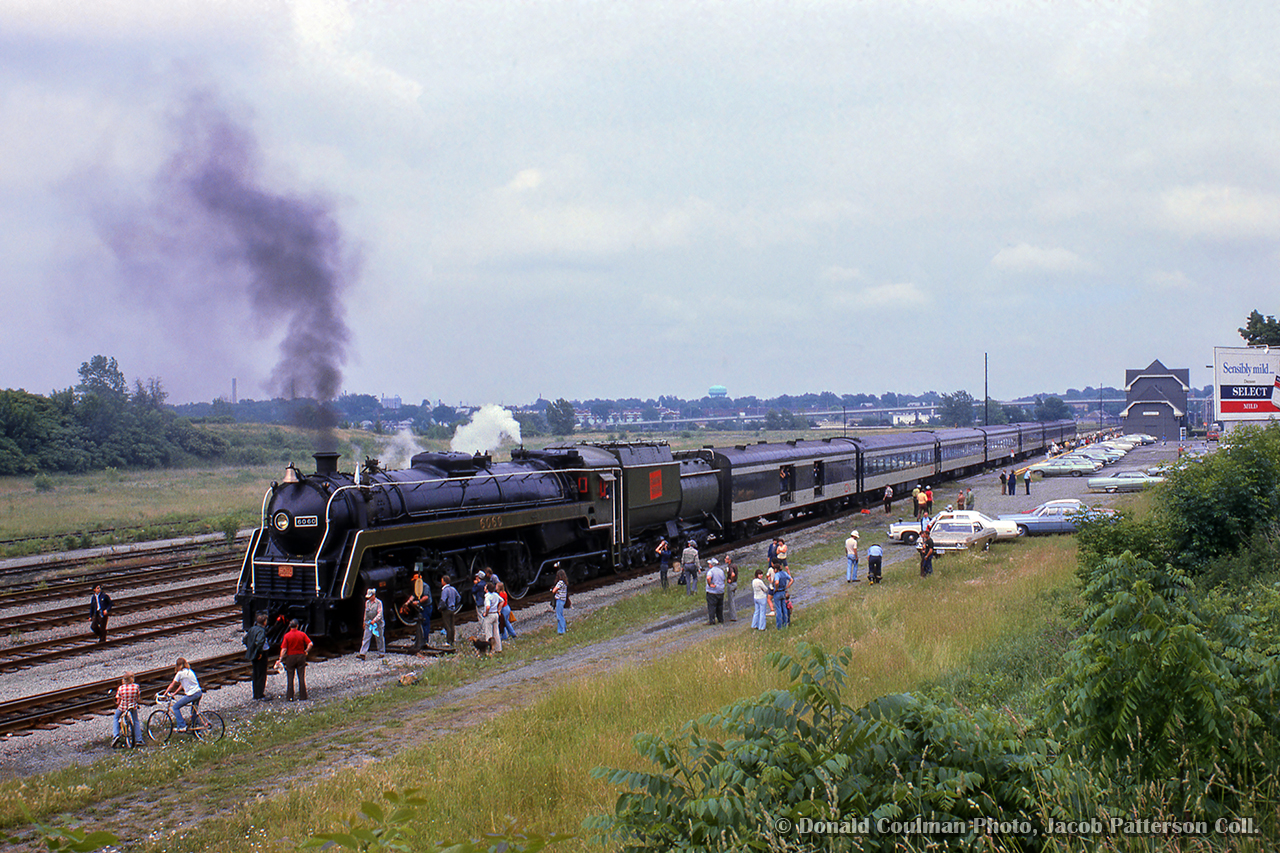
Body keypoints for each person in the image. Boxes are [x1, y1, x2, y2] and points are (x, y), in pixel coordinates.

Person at [161, 658, 202, 732]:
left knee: (175, 707)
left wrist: (164, 694)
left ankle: (182, 726)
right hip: (198, 693)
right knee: (193, 712)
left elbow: (172, 685)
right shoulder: (190, 671)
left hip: (192, 694)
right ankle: (196, 730)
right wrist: (174, 693)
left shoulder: (179, 673)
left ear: (178, 665)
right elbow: (182, 685)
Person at [278, 618, 313, 701]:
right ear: (297, 626)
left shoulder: (287, 636)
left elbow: (284, 649)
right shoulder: (302, 634)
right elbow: (310, 644)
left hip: (290, 658)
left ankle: (290, 696)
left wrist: (280, 659)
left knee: (290, 677)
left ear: (290, 626)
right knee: (301, 677)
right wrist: (306, 651)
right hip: (301, 657)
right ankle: (303, 696)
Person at [243, 612, 271, 701]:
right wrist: (259, 652)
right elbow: (259, 642)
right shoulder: (261, 631)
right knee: (261, 674)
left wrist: (250, 648)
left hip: (253, 654)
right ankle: (260, 694)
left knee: (255, 674)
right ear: (264, 622)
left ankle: (255, 694)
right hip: (261, 655)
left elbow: (245, 639)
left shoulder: (252, 629)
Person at [112, 672, 142, 747]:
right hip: (132, 707)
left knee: (116, 717)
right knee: (136, 721)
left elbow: (118, 700)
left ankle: (116, 735)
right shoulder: (136, 687)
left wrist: (117, 703)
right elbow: (138, 698)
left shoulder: (121, 688)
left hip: (123, 707)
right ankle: (139, 739)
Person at [358, 588, 385, 660]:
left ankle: (381, 652)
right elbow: (366, 613)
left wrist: (375, 620)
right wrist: (364, 621)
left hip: (378, 623)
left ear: (373, 595)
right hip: (369, 623)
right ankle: (362, 653)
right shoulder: (367, 602)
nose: (369, 598)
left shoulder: (379, 603)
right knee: (366, 637)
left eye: (370, 596)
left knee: (379, 638)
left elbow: (380, 613)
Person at [439, 575, 461, 647]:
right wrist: (455, 605)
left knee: (447, 626)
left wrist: (441, 608)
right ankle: (452, 640)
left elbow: (443, 600)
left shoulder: (445, 590)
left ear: (444, 581)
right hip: (452, 609)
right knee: (452, 625)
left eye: (442, 580)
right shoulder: (453, 589)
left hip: (447, 610)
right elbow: (459, 598)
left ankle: (448, 641)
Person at [481, 581, 503, 653]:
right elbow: (502, 601)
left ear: (487, 589)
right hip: (495, 614)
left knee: (488, 633)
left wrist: (486, 613)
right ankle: (498, 648)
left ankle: (490, 650)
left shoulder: (487, 596)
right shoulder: (495, 595)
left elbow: (488, 607)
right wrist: (499, 610)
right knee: (496, 632)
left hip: (489, 615)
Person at [704, 558, 725, 625]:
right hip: (721, 591)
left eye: (709, 564)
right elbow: (724, 579)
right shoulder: (721, 571)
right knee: (720, 606)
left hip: (712, 592)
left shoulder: (711, 571)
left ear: (711, 565)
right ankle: (720, 619)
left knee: (712, 606)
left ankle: (712, 620)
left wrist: (710, 584)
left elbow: (708, 578)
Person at [772, 563, 792, 629]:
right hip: (783, 592)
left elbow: (777, 582)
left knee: (778, 609)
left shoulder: (777, 575)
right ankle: (785, 624)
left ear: (776, 569)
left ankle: (779, 626)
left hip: (778, 592)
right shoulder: (784, 573)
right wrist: (787, 587)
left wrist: (776, 588)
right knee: (784, 608)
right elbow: (791, 580)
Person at [552, 568, 569, 634]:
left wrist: (554, 591)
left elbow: (554, 590)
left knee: (559, 615)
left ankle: (562, 629)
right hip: (563, 600)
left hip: (559, 600)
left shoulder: (560, 582)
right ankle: (560, 630)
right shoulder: (564, 583)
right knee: (560, 615)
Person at [723, 557, 738, 622]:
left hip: (731, 584)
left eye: (726, 559)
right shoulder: (735, 565)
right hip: (735, 583)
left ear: (729, 560)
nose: (725, 560)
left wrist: (730, 580)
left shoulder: (730, 567)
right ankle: (733, 616)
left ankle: (733, 616)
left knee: (731, 601)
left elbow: (733, 574)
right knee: (733, 599)